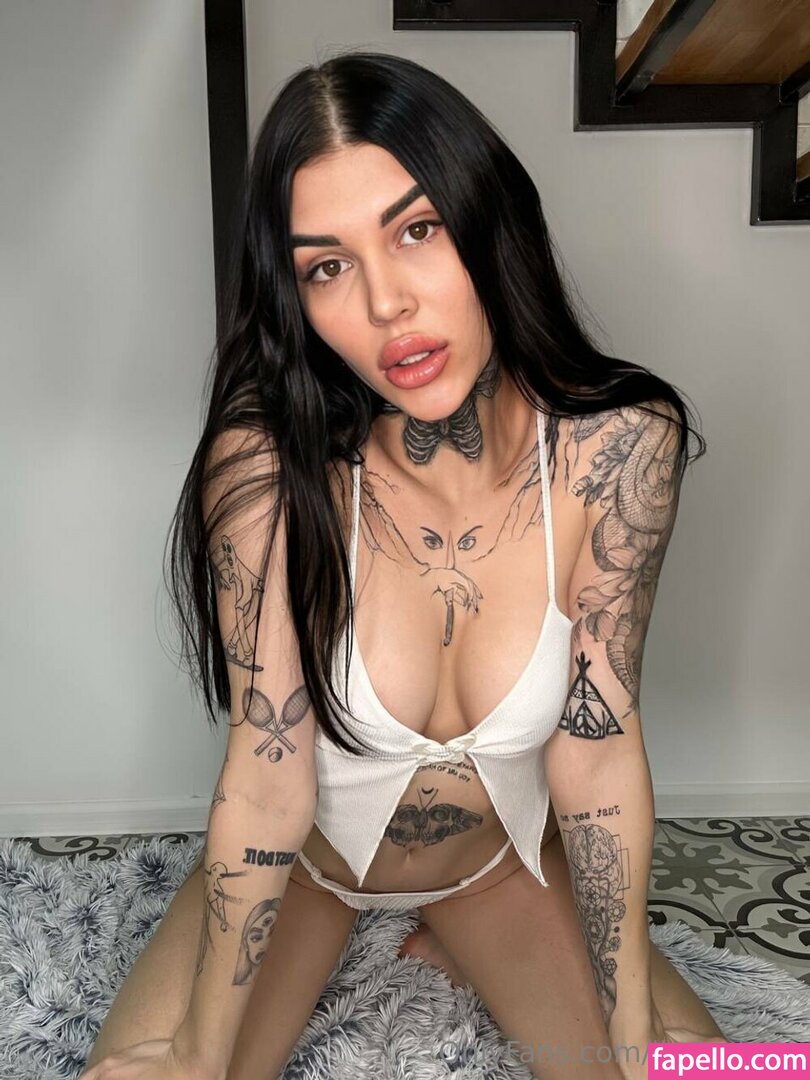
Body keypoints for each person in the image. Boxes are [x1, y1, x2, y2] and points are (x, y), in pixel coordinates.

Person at [80, 50, 727, 1080]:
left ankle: (474, 945)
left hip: (497, 870)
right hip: (308, 875)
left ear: (489, 220)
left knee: (710, 1073)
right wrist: (198, 1055)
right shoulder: (265, 467)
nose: (387, 306)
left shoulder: (619, 449)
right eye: (326, 267)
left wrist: (634, 1021)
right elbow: (267, 772)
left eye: (416, 230)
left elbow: (598, 752)